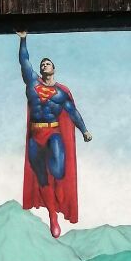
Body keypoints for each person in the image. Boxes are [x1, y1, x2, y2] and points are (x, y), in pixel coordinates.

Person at [17, 31, 91, 238]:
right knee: (41, 177)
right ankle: (52, 215)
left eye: (47, 63)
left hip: (53, 132)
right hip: (35, 134)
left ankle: (59, 197)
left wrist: (84, 130)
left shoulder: (60, 94)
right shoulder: (32, 83)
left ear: (54, 69)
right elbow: (24, 61)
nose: (44, 65)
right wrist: (23, 39)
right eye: (42, 64)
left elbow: (73, 112)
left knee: (58, 171)